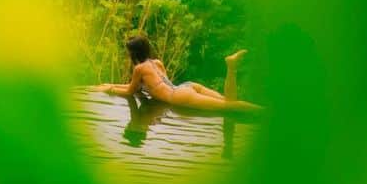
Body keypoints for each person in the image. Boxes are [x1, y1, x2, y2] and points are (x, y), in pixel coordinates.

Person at [97, 34, 262, 112]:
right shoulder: (157, 63)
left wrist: (109, 89)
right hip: (187, 86)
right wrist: (111, 84)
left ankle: (267, 115)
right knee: (230, 101)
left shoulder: (139, 69)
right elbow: (135, 86)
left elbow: (129, 91)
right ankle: (231, 67)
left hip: (179, 96)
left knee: (230, 107)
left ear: (133, 53)